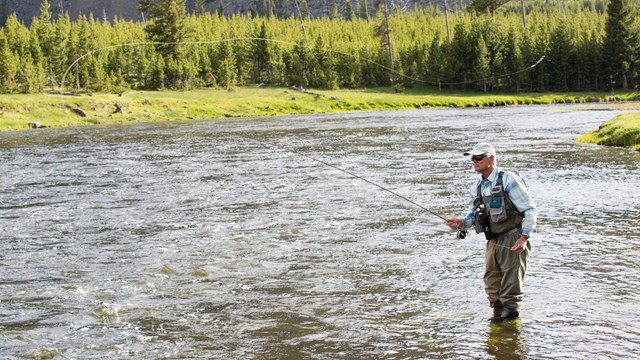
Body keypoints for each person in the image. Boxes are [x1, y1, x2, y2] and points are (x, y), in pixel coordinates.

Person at [446, 142, 537, 319]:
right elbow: (472, 217)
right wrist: (461, 223)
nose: (474, 160)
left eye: (479, 157)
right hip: (492, 241)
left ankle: (509, 331)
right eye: (472, 158)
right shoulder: (476, 186)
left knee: (510, 290)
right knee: (492, 286)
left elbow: (530, 209)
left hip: (514, 238)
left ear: (491, 159)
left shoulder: (508, 179)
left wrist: (524, 237)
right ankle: (498, 323)